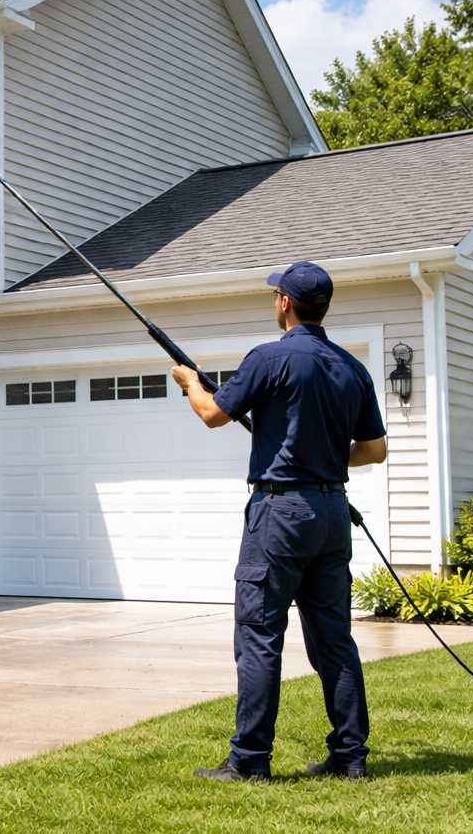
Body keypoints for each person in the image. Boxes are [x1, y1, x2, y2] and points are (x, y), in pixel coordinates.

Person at [172, 260, 388, 782]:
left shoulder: (268, 358)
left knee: (260, 634)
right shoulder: (351, 367)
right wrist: (328, 456)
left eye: (276, 296)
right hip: (332, 512)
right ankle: (349, 759)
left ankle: (248, 762)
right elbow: (375, 451)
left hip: (280, 514)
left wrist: (189, 383)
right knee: (335, 639)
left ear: (285, 303)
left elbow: (212, 414)